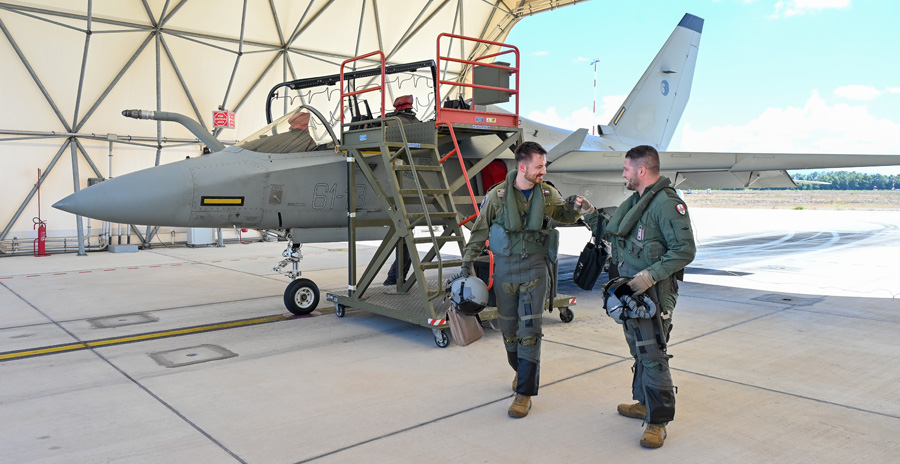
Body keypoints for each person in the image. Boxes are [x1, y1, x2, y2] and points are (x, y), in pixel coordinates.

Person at [460, 141, 592, 418]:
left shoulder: (547, 193)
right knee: (509, 333)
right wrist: (466, 264)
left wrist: (577, 206)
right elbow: (479, 231)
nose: (544, 170)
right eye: (540, 166)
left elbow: (564, 216)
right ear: (523, 167)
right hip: (505, 273)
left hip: (535, 270)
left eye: (544, 166)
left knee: (530, 331)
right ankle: (521, 372)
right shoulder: (496, 197)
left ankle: (524, 393)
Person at [584, 144, 695, 449]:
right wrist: (589, 214)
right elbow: (614, 234)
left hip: (653, 294)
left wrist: (649, 276)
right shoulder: (636, 202)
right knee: (639, 351)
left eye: (626, 169)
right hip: (630, 292)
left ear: (641, 170)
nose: (623, 174)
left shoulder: (665, 204)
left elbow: (685, 250)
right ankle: (645, 403)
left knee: (653, 354)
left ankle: (657, 422)